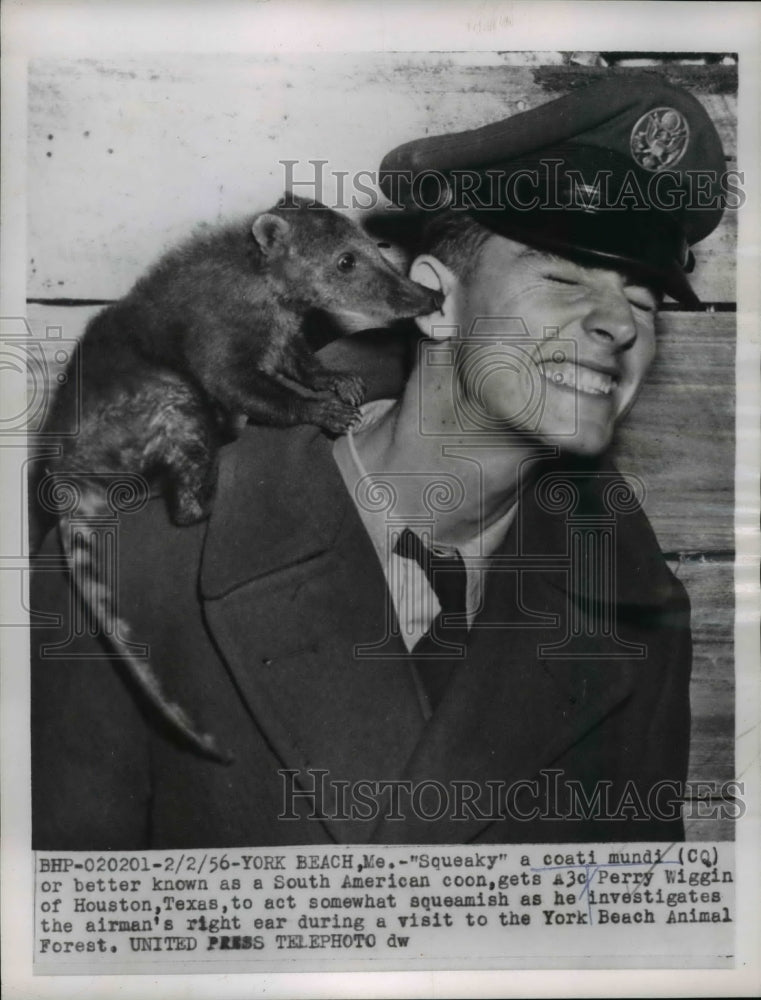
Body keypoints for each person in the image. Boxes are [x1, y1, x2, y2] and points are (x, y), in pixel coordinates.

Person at [30, 74, 726, 849]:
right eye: (563, 276)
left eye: (643, 300)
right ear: (437, 302)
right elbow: (64, 933)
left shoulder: (633, 613)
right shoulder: (136, 560)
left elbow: (626, 951)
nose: (615, 325)